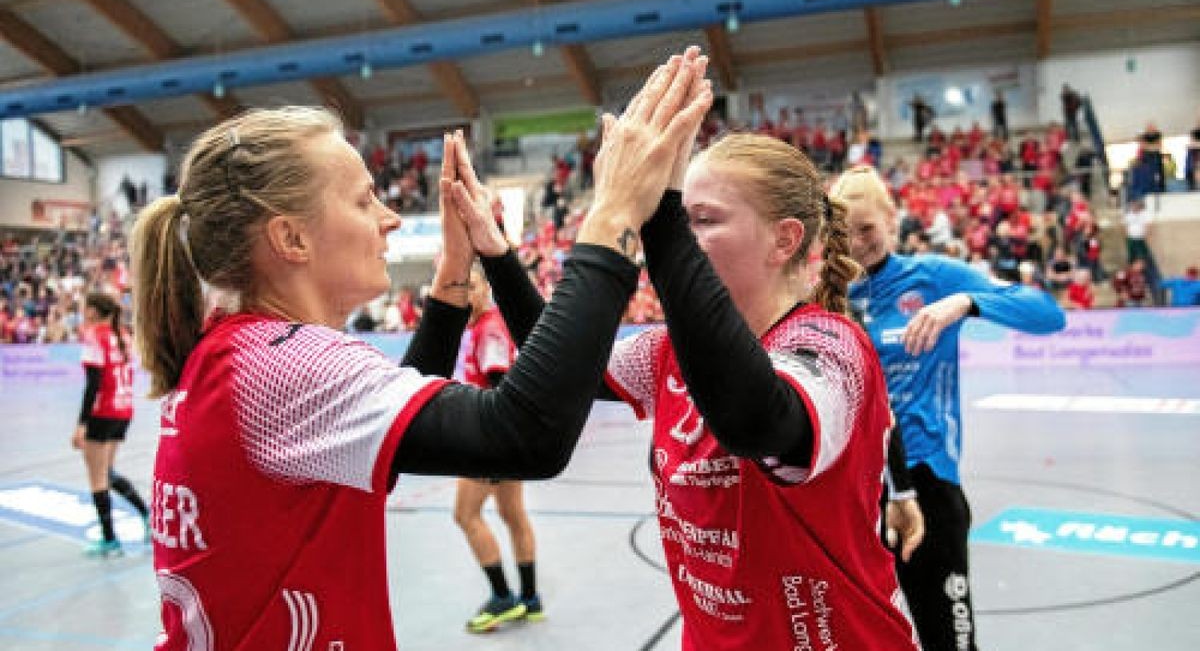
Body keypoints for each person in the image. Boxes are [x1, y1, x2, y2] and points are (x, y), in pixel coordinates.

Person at [132, 50, 712, 650]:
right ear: (291, 237)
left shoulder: (237, 352)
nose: (388, 219)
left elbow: (393, 434)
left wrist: (454, 275)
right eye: (362, 201)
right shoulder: (279, 362)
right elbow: (528, 436)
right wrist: (613, 214)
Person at [447, 114, 919, 645]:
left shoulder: (832, 346)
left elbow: (756, 419)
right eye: (681, 218)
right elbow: (568, 362)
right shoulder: (668, 350)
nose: (680, 237)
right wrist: (498, 256)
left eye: (704, 220)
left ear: (784, 240)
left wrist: (659, 214)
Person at [834, 165, 1065, 651]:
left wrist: (964, 302)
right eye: (846, 233)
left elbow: (1048, 313)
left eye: (867, 229)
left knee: (950, 641)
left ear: (892, 220)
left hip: (928, 482)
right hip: (855, 491)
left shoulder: (933, 277)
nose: (857, 244)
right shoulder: (834, 296)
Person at [453, 268, 545, 632]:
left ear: (485, 288)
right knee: (513, 514)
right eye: (460, 285)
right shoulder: (482, 325)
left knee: (465, 515)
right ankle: (530, 597)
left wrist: (493, 448)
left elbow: (501, 385)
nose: (465, 292)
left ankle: (502, 597)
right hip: (506, 440)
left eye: (470, 285)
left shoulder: (489, 327)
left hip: (487, 440)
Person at [72, 292, 150, 557]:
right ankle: (147, 515)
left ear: (93, 311)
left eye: (85, 308)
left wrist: (82, 424)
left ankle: (109, 540)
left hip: (103, 412)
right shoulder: (123, 335)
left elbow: (93, 383)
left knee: (98, 477)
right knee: (107, 472)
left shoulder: (95, 335)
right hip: (123, 411)